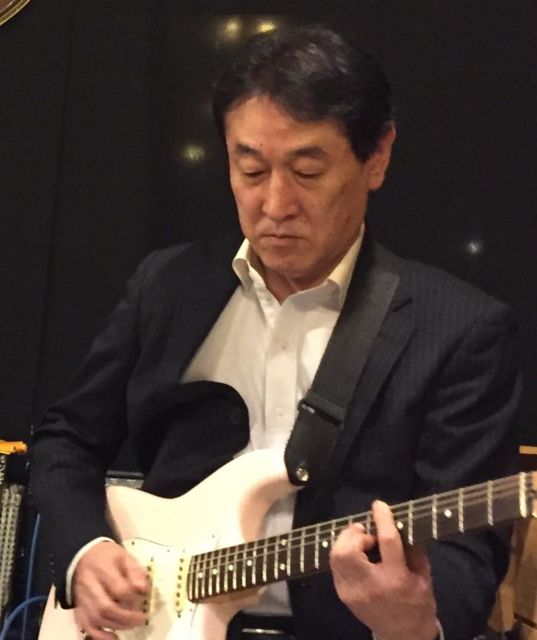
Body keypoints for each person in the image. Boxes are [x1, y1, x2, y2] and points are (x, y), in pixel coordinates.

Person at [31, 25, 520, 640]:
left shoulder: (459, 329)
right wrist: (86, 551)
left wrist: (415, 621)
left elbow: (468, 549)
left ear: (377, 157)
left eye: (307, 171)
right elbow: (66, 439)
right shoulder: (168, 285)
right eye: (251, 169)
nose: (275, 204)